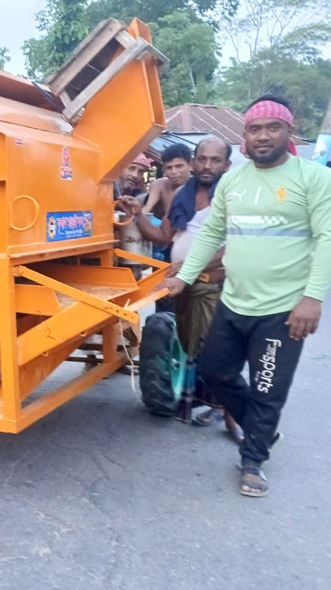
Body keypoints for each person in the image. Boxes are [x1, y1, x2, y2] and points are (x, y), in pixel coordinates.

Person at [158, 95, 331, 498]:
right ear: (244, 136)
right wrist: (185, 277)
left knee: (267, 387)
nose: (263, 136)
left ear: (288, 132)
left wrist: (312, 299)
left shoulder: (316, 179)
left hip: (283, 310)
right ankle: (261, 428)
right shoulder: (235, 181)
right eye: (255, 129)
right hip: (233, 301)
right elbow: (211, 233)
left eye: (272, 128)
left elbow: (330, 240)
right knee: (214, 371)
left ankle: (253, 459)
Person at [121, 137, 242, 441]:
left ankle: (232, 414)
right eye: (202, 159)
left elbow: (235, 247)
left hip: (213, 284)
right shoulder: (179, 197)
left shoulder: (233, 197)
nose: (206, 165)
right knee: (190, 347)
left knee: (218, 351)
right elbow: (163, 237)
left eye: (215, 160)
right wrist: (137, 215)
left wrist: (189, 268)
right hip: (182, 286)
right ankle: (202, 403)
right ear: (194, 161)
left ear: (226, 165)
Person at [114, 153, 153, 276]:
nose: (136, 175)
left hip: (128, 258)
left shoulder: (133, 196)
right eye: (131, 168)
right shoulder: (104, 190)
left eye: (141, 172)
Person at [144, 143, 193, 219]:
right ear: (164, 169)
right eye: (169, 168)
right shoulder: (160, 185)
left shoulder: (198, 188)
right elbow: (145, 210)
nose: (174, 172)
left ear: (190, 166)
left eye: (179, 166)